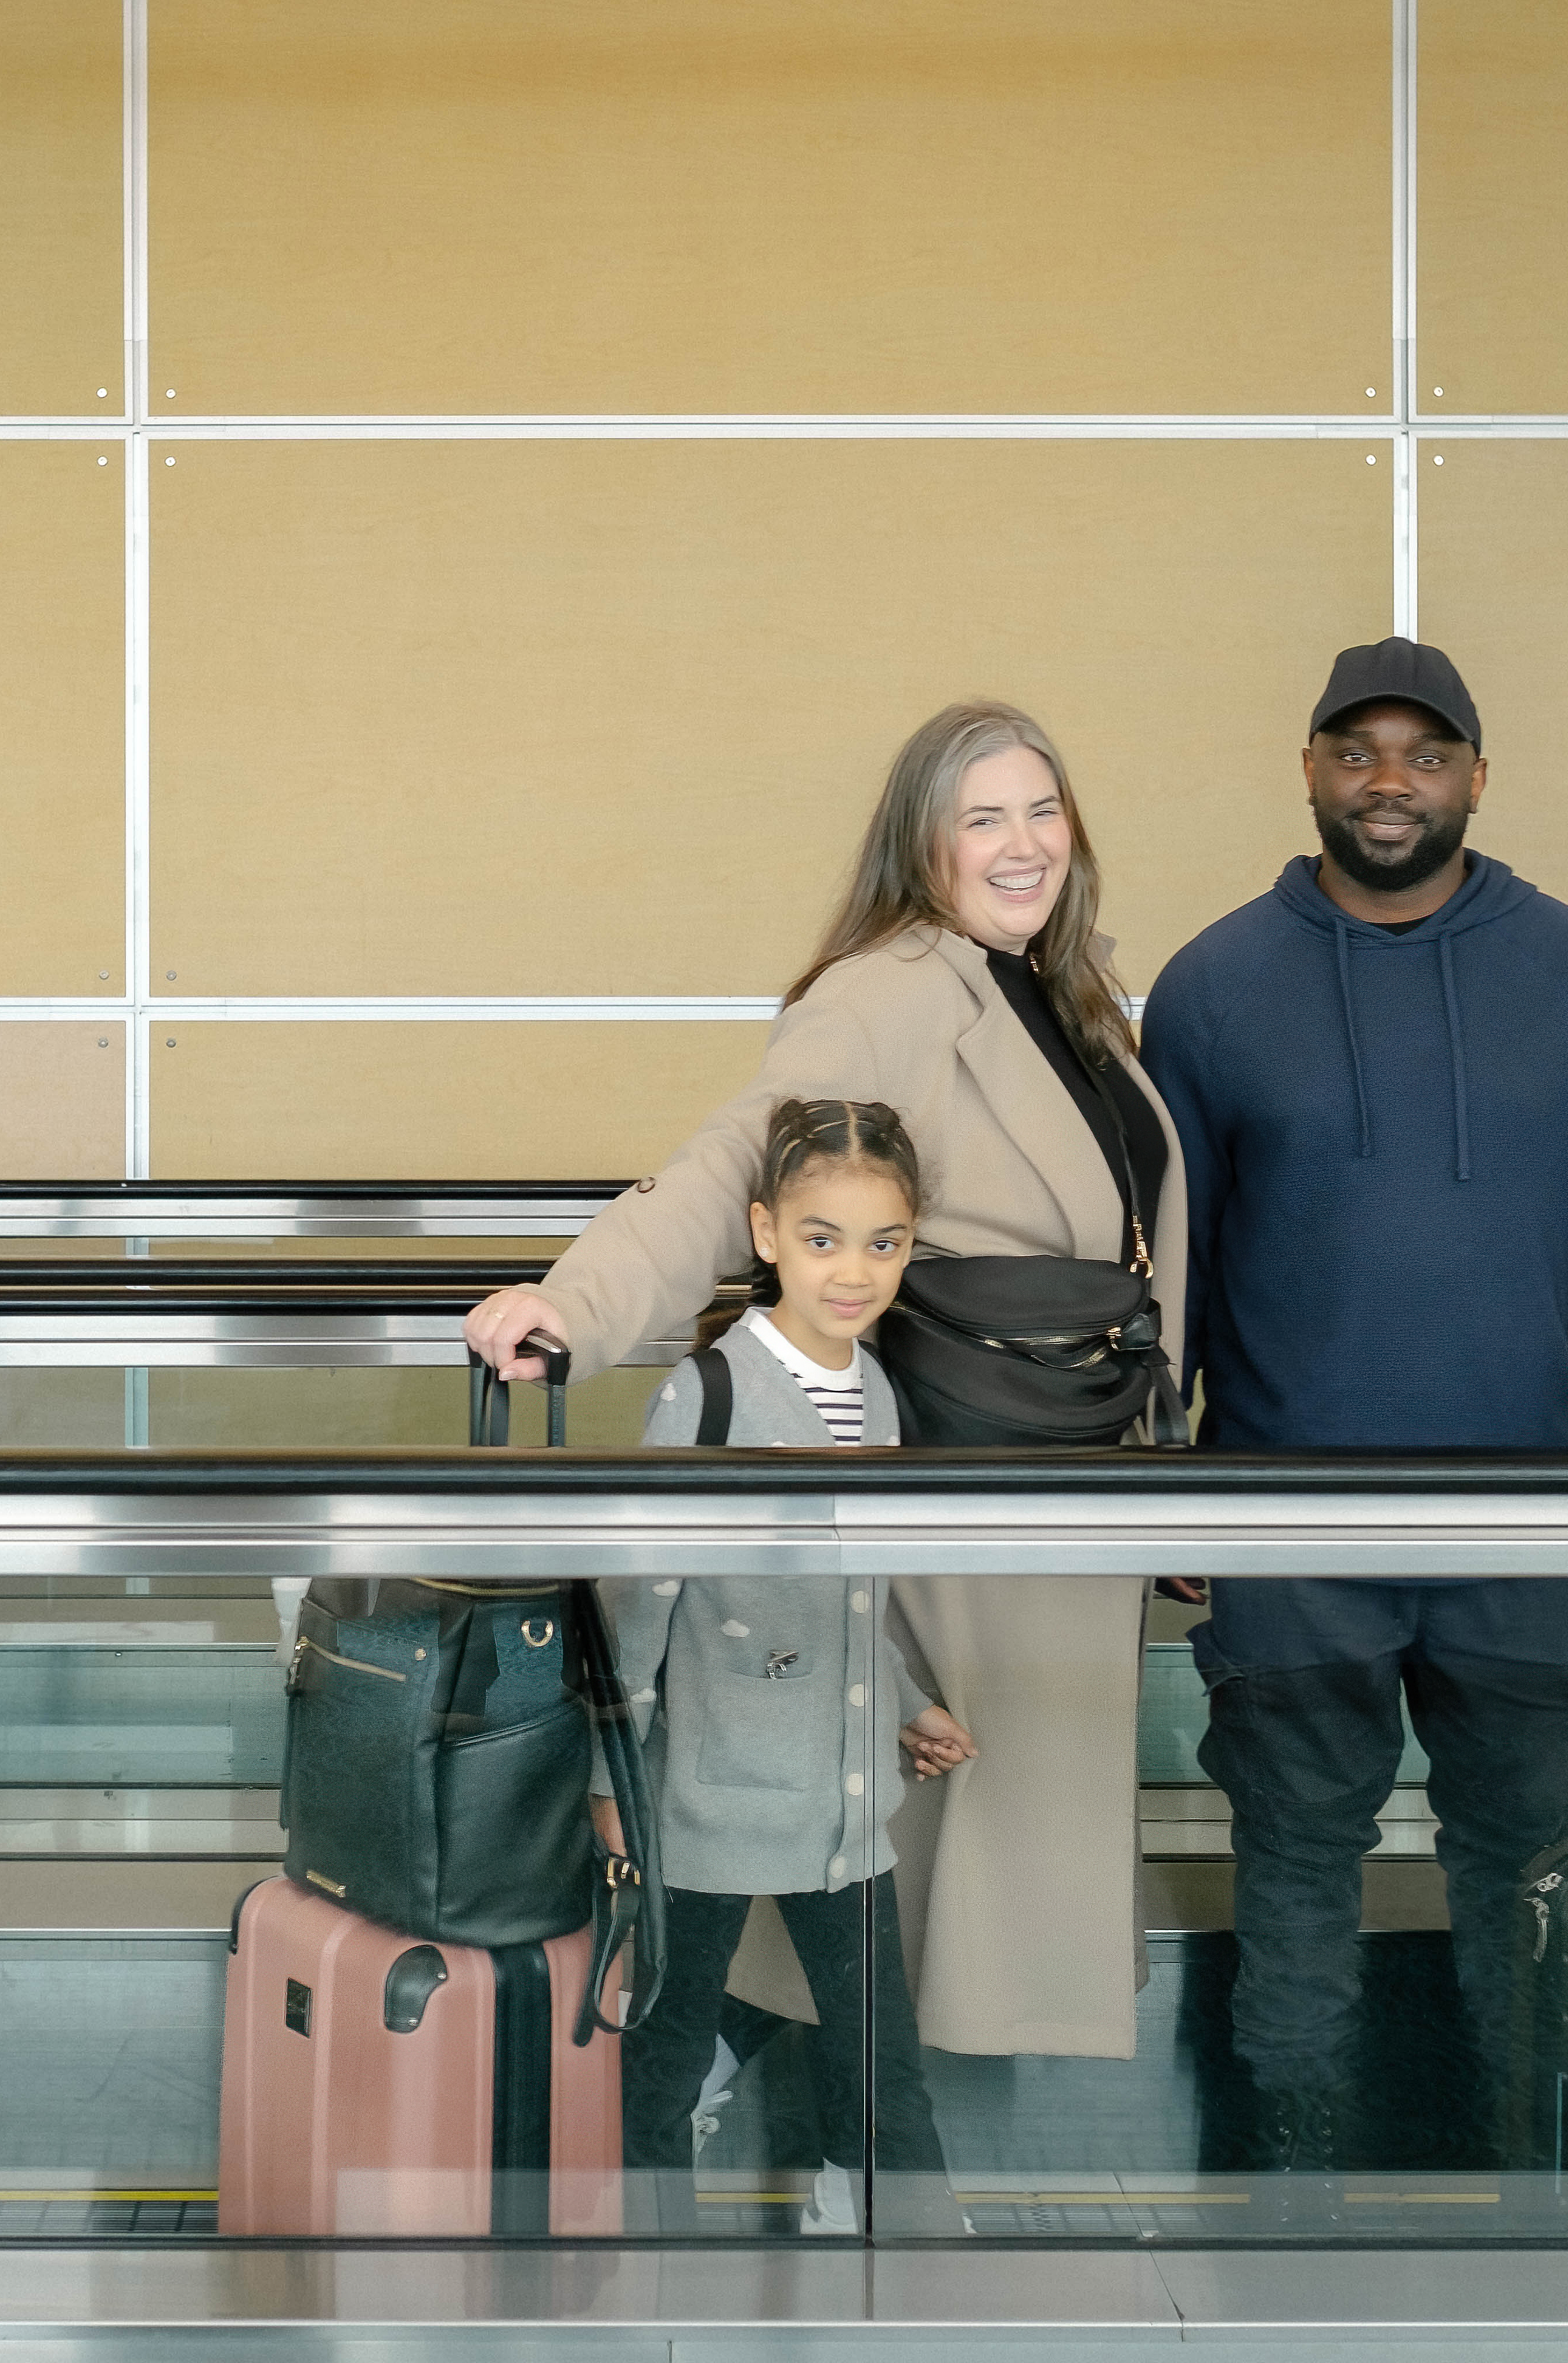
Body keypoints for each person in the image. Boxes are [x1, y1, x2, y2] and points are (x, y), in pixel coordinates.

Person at [464, 698, 1184, 2069]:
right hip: (971, 1472)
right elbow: (743, 1161)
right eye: (983, 818)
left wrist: (1177, 1458)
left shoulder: (1067, 987)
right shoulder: (898, 986)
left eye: (1043, 808)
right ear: (924, 843)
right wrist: (582, 1304)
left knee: (961, 1845)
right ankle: (849, 2161)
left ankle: (863, 2168)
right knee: (915, 1846)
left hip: (1079, 1464)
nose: (1022, 843)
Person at [1139, 636, 1568, 2170]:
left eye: (1424, 753)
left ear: (1477, 776)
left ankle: (1532, 2154)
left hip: (1521, 1511)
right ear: (1309, 771)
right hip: (1288, 1519)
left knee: (1531, 1873)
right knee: (1292, 1870)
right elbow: (1168, 1256)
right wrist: (1156, 1477)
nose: (1389, 781)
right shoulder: (1214, 988)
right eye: (1358, 751)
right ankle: (1293, 2159)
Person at [605, 1096, 974, 2234]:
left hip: (843, 1798)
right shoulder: (707, 1396)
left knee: (878, 2056)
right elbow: (636, 1608)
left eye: (884, 1243)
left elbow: (859, 1597)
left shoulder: (876, 1395)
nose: (852, 1272)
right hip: (708, 1801)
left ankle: (916, 2261)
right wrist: (607, 1785)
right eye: (823, 1239)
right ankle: (649, 2278)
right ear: (767, 1233)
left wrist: (910, 1705)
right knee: (666, 2063)